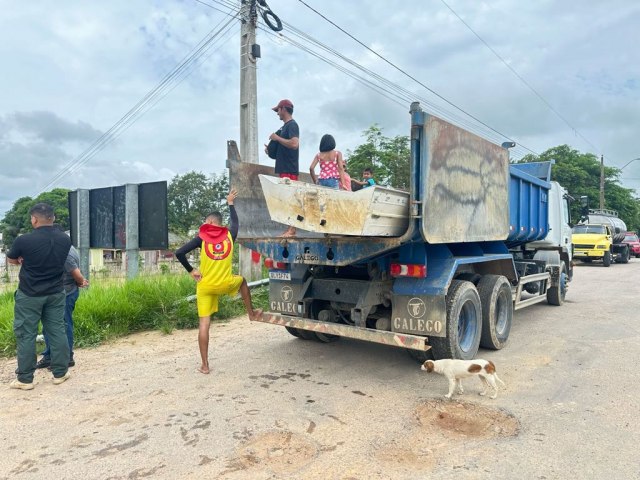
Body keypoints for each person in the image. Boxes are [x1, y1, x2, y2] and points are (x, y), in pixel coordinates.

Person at [175, 189, 262, 375]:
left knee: (204, 324)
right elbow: (236, 222)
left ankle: (205, 365)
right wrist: (230, 203)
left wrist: (191, 271)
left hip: (205, 286)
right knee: (243, 281)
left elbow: (179, 253)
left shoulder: (201, 239)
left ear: (211, 223)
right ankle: (251, 313)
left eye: (206, 222)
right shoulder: (230, 235)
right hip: (225, 283)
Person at [6, 203, 72, 390]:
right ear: (53, 218)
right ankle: (60, 373)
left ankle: (25, 379)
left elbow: (12, 259)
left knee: (26, 334)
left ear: (34, 219)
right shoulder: (65, 239)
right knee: (57, 330)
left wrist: (21, 259)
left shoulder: (23, 240)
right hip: (56, 292)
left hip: (30, 294)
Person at [36, 244, 89, 370]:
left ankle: (67, 357)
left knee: (64, 325)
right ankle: (50, 356)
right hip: (55, 293)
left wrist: (81, 281)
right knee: (48, 325)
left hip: (66, 293)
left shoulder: (65, 252)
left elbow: (76, 273)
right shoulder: (63, 247)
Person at [264, 98, 300, 237]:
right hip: (283, 168)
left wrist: (276, 138)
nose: (277, 113)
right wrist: (271, 150)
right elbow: (285, 147)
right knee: (286, 199)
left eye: (277, 110)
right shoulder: (284, 127)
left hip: (289, 168)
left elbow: (294, 144)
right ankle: (290, 229)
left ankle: (292, 229)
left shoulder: (292, 125)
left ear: (284, 109)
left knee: (290, 198)